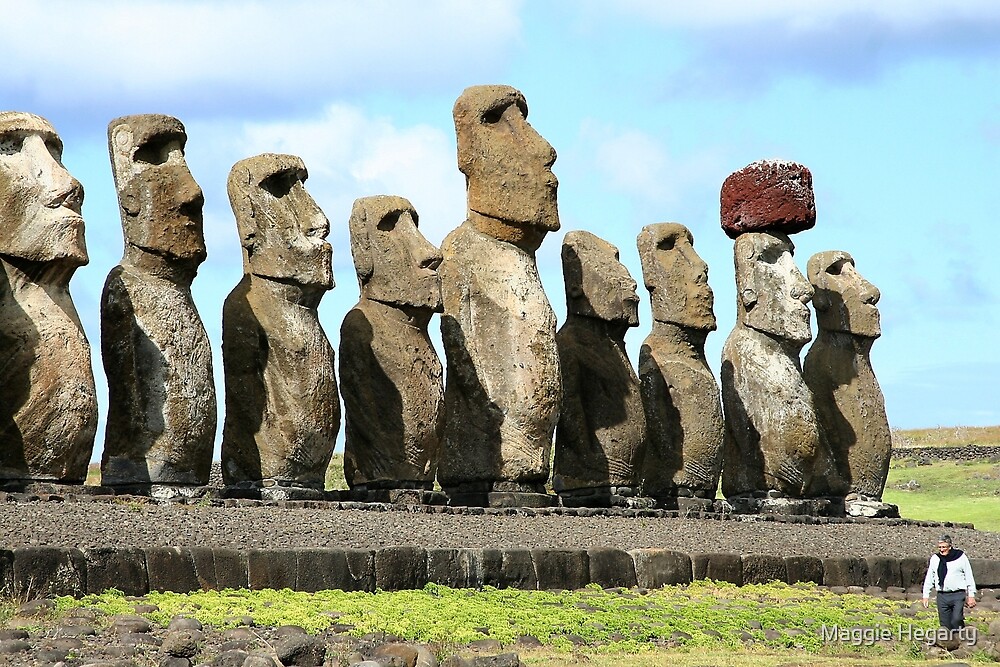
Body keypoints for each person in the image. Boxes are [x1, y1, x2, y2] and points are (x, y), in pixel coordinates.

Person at [922, 535, 977, 630]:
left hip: (958, 594)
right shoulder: (935, 559)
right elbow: (930, 577)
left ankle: (961, 637)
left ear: (950, 547)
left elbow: (969, 575)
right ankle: (949, 643)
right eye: (939, 547)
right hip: (942, 595)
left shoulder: (960, 557)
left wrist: (971, 595)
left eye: (944, 547)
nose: (941, 550)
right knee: (945, 625)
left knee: (956, 619)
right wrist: (925, 595)